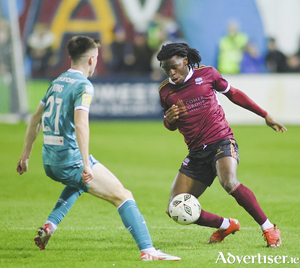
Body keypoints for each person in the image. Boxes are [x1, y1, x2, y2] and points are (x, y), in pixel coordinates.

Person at [16, 36, 180, 261]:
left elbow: (35, 119)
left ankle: (50, 225)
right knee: (123, 195)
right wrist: (85, 164)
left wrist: (25, 156)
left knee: (79, 183)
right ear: (92, 59)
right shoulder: (84, 85)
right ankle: (148, 250)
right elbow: (82, 124)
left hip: (49, 160)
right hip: (70, 160)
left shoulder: (57, 82)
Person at [156, 43, 286, 248]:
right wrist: (169, 120)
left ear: (185, 61)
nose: (171, 73)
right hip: (196, 152)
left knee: (229, 182)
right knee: (174, 207)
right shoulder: (165, 91)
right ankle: (227, 225)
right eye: (166, 69)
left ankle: (269, 228)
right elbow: (170, 125)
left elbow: (233, 94)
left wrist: (265, 115)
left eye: (174, 67)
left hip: (221, 140)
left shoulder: (208, 74)